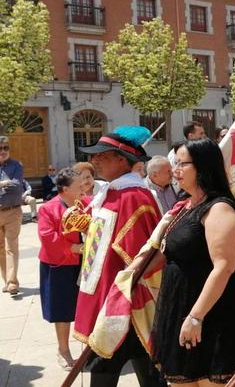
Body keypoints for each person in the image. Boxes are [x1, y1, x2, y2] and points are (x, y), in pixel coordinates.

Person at [136, 138, 235, 385]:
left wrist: (196, 317)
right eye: (175, 163)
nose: (175, 170)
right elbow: (168, 250)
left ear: (203, 166)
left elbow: (224, 267)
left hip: (212, 318)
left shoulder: (219, 209)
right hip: (181, 310)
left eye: (182, 164)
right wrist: (130, 275)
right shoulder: (186, 205)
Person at [74, 126, 165, 387]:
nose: (94, 161)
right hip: (105, 299)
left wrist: (119, 301)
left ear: (122, 160)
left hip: (125, 306)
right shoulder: (111, 193)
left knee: (144, 371)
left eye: (102, 155)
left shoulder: (134, 197)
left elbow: (142, 258)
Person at [38, 168, 87, 371]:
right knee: (62, 311)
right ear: (65, 189)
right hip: (58, 265)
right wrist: (73, 248)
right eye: (79, 186)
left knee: (83, 305)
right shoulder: (47, 209)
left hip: (80, 262)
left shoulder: (82, 205)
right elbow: (47, 237)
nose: (83, 189)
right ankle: (63, 349)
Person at [0, 136, 24, 296]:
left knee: (11, 247)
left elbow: (17, 186)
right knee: (0, 248)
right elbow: (12, 184)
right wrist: (7, 183)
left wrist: (3, 184)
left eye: (5, 148)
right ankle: (6, 280)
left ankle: (12, 282)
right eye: (0, 148)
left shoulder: (16, 165)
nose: (2, 151)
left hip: (12, 211)